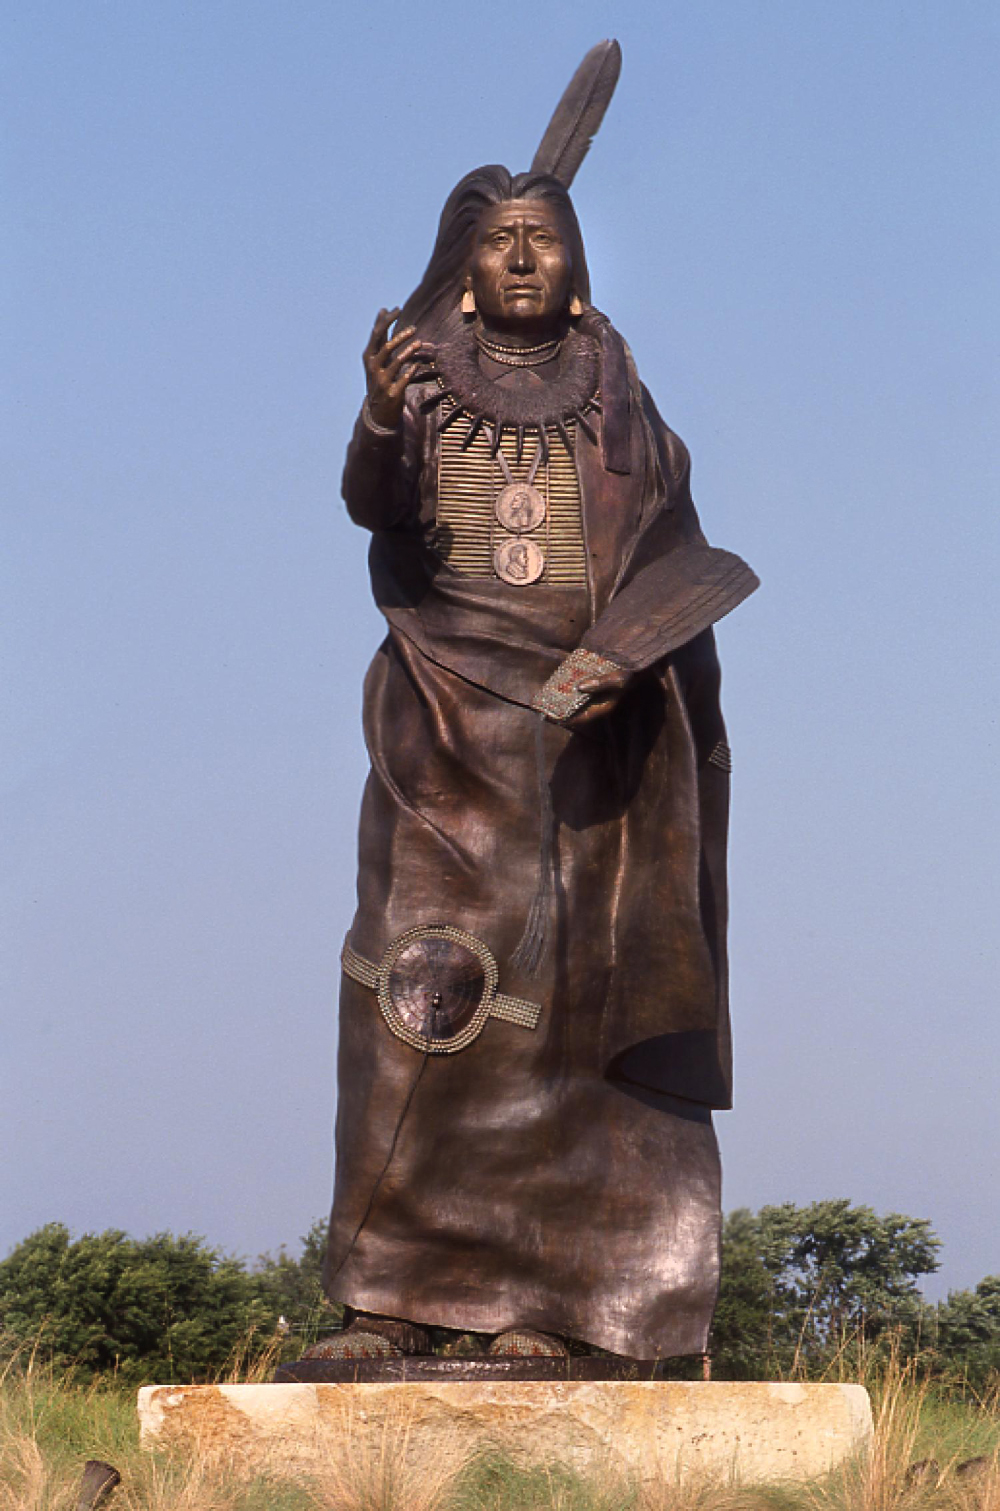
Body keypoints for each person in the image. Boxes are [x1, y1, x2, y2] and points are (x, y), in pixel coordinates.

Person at [318, 63, 757, 1365]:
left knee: (568, 1026)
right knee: (417, 1000)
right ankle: (390, 1297)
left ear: (575, 269)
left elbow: (681, 551)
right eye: (501, 240)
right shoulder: (420, 378)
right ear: (467, 265)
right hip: (446, 738)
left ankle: (561, 1314)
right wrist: (382, 412)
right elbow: (376, 506)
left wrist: (624, 651)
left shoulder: (621, 397)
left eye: (545, 241)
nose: (522, 258)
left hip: (586, 749)